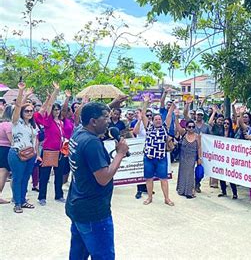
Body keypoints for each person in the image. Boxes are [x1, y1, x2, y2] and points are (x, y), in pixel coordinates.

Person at [66, 102, 129, 259]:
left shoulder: (78, 133)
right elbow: (103, 178)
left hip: (78, 206)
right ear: (93, 121)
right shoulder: (91, 143)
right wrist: (120, 153)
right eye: (106, 117)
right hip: (94, 213)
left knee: (78, 254)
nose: (109, 121)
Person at [136, 94, 174, 206]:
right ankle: (149, 197)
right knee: (148, 179)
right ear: (152, 120)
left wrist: (172, 106)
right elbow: (143, 115)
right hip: (149, 157)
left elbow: (170, 115)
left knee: (164, 179)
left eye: (159, 119)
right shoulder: (149, 127)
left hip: (161, 158)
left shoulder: (165, 127)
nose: (158, 120)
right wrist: (146, 102)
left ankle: (167, 198)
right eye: (155, 119)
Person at [36, 82, 68, 206]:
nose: (57, 111)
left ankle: (59, 195)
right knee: (45, 175)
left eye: (58, 109)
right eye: (55, 109)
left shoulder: (61, 122)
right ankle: (42, 197)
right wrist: (55, 92)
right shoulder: (48, 121)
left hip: (60, 151)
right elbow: (48, 107)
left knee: (59, 175)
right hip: (49, 150)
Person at [8, 83, 38, 213]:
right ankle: (17, 202)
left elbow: (35, 140)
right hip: (17, 153)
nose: (29, 113)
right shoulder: (16, 122)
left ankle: (23, 200)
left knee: (26, 178)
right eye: (27, 111)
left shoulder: (32, 126)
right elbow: (18, 106)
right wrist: (22, 93)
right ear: (22, 112)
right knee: (17, 178)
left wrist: (36, 152)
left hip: (30, 155)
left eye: (31, 111)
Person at [173, 103, 202, 199]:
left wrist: (199, 158)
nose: (191, 128)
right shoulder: (183, 133)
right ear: (186, 127)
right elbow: (177, 126)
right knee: (182, 172)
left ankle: (190, 192)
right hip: (183, 157)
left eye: (192, 127)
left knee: (190, 173)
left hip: (192, 157)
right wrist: (176, 117)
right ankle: (181, 190)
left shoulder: (197, 136)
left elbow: (199, 148)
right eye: (189, 127)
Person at [0, 104, 13, 204]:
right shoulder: (8, 125)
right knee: (3, 173)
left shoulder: (2, 123)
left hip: (2, 148)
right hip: (6, 149)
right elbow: (11, 140)